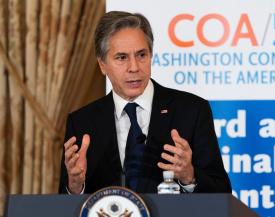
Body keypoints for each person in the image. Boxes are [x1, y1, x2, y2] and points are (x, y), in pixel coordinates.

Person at [58, 11, 231, 194]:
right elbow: (65, 202)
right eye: (122, 58)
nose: (134, 67)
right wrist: (75, 185)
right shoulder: (81, 122)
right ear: (102, 64)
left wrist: (189, 176)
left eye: (141, 55)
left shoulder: (191, 111)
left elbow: (222, 193)